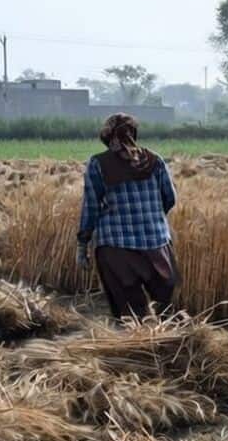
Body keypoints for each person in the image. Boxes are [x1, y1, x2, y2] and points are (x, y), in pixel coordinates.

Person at [76, 113, 179, 321]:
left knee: (130, 313)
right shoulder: (155, 160)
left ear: (108, 137)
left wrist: (82, 244)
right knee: (165, 309)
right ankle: (165, 346)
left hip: (116, 248)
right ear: (134, 134)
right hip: (157, 245)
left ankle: (134, 348)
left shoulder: (99, 164)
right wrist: (152, 219)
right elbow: (170, 198)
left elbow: (91, 207)